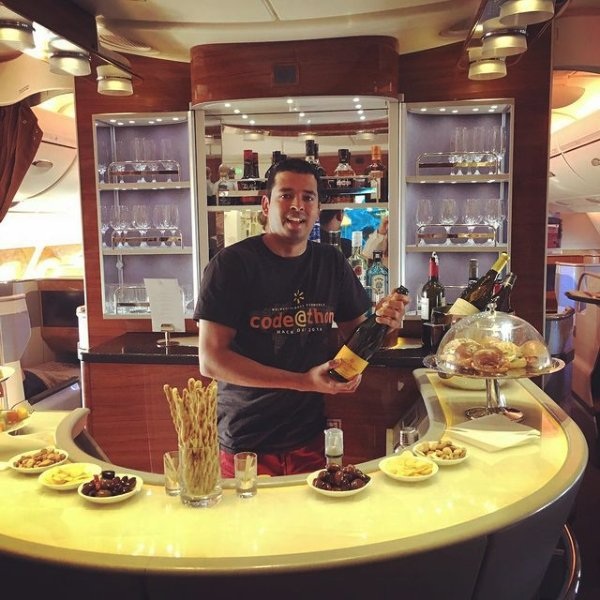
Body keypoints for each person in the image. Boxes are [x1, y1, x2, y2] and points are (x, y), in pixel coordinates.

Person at [194, 158, 409, 477]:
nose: (298, 205)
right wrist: (303, 381)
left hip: (308, 437)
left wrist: (387, 325)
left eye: (308, 197)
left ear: (318, 208)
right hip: (246, 442)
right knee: (249, 512)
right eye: (286, 195)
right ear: (266, 205)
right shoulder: (231, 265)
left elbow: (359, 339)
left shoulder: (331, 263)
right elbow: (211, 361)